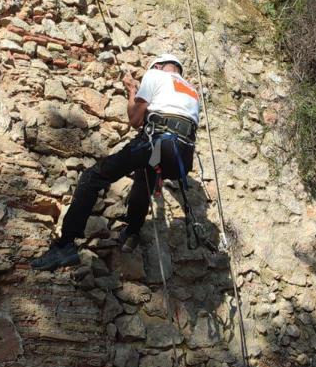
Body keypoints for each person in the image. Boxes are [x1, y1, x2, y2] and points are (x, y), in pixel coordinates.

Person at [32, 53, 200, 271]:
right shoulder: (191, 90)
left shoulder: (154, 74)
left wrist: (132, 90)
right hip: (182, 157)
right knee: (146, 176)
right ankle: (131, 232)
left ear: (158, 66)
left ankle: (65, 245)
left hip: (158, 143)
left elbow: (135, 120)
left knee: (93, 177)